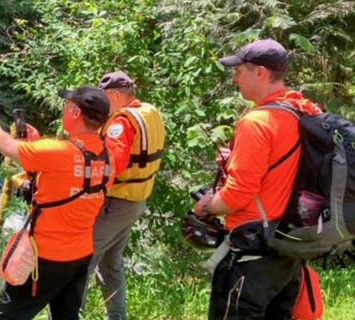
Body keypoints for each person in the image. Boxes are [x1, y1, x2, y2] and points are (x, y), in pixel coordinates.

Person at [193, 38, 323, 319]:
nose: (235, 79)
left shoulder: (258, 121)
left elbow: (238, 195)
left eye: (239, 71)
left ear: (260, 73)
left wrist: (206, 206)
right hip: (289, 250)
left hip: (253, 255)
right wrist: (237, 159)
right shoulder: (303, 111)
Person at [0, 86, 115, 320]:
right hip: (81, 254)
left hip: (45, 255)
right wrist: (37, 142)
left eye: (67, 106)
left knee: (9, 316)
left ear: (75, 112)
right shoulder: (107, 155)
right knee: (66, 315)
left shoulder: (57, 151)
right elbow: (71, 175)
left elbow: (7, 146)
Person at [83, 71, 165, 319]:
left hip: (117, 202)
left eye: (104, 97)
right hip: (136, 200)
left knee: (83, 261)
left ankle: (68, 313)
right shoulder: (149, 112)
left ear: (118, 95)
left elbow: (111, 166)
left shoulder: (122, 123)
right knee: (112, 262)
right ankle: (117, 316)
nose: (102, 103)